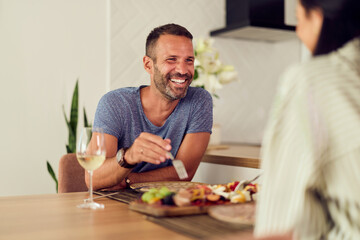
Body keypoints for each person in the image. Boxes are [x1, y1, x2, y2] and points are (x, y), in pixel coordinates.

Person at [216, 0, 360, 239]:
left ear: (318, 18)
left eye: (299, 18)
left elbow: (282, 227)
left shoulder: (311, 81)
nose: (297, 30)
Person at [88, 23, 213, 191]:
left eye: (188, 60)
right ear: (148, 65)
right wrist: (129, 156)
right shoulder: (115, 104)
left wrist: (127, 180)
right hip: (113, 205)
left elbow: (184, 172)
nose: (183, 70)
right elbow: (93, 178)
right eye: (171, 59)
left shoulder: (199, 101)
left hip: (163, 204)